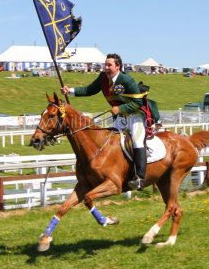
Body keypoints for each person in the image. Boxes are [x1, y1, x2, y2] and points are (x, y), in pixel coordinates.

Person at [61, 53, 159, 190]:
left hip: (135, 116)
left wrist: (120, 108)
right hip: (119, 118)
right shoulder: (103, 78)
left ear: (118, 66)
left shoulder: (127, 80)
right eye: (105, 65)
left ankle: (140, 178)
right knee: (111, 143)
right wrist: (70, 91)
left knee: (137, 141)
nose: (105, 68)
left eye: (109, 65)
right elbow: (89, 90)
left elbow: (137, 102)